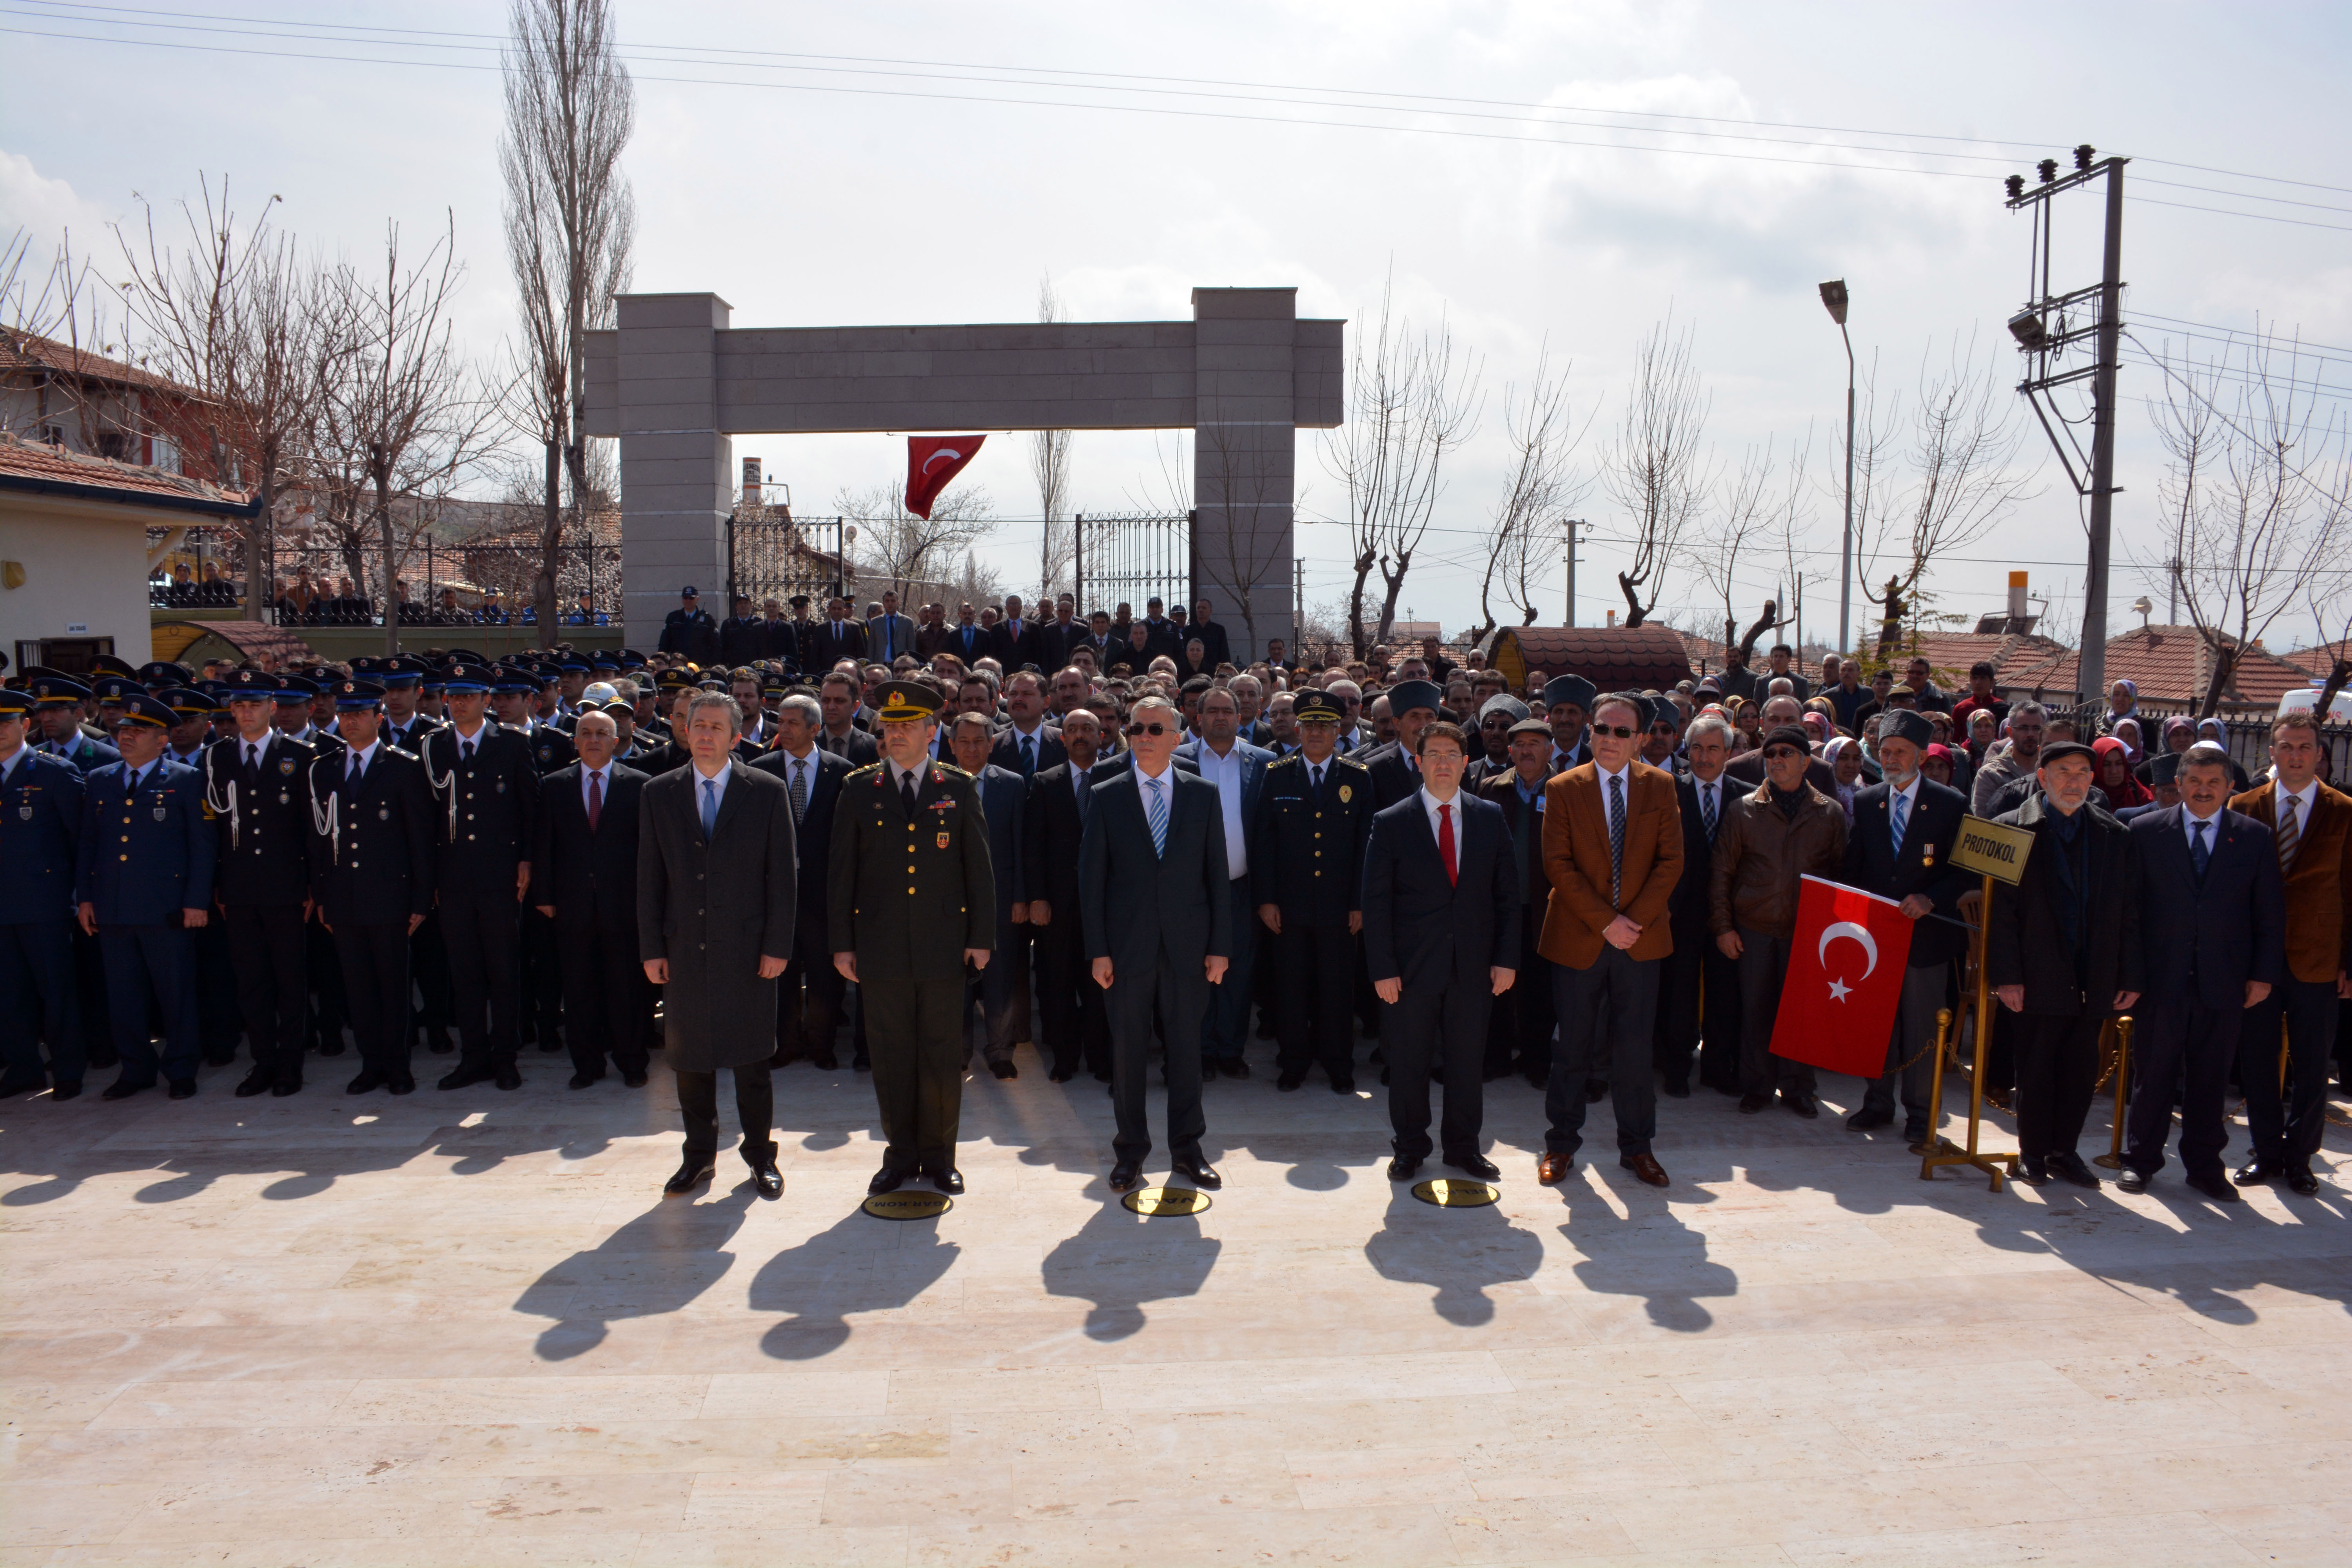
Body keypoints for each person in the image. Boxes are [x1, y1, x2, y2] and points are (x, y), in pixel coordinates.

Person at [829, 681, 996, 1195]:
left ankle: (940, 1156)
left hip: (944, 945)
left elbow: (979, 871)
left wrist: (981, 937)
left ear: (931, 732)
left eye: (908, 726)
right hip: (880, 949)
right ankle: (900, 1154)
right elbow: (842, 874)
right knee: (891, 1053)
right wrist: (842, 942)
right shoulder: (859, 788)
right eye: (890, 726)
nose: (896, 734)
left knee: (943, 1055)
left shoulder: (958, 787)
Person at [639, 692, 797, 1200]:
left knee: (752, 1064)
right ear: (684, 732)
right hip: (685, 950)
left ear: (737, 736)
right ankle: (699, 1158)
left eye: (716, 727)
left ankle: (760, 1157)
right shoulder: (658, 793)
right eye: (696, 725)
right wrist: (651, 948)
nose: (704, 734)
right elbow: (649, 878)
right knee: (691, 1063)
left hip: (749, 951)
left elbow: (783, 878)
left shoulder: (766, 792)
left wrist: (777, 945)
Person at [1079, 693, 1233, 1193]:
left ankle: (1188, 1151)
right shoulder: (1107, 793)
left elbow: (1217, 877)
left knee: (1187, 1052)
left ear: (1176, 736)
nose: (1144, 736)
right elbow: (1091, 880)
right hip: (1126, 951)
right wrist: (1098, 950)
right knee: (1127, 1055)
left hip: (1189, 948)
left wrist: (1219, 947)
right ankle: (1130, 1154)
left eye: (1154, 728)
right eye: (1137, 728)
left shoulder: (1202, 794)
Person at [2118, 743, 2283, 1200]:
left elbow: (2268, 913)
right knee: (2153, 1076)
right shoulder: (2146, 831)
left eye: (2214, 782)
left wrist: (2262, 975)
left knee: (2211, 1078)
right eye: (2195, 782)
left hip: (2225, 980)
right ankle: (2141, 1161)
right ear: (2179, 785)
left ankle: (2206, 1167)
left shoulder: (2253, 837)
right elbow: (2130, 912)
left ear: (2231, 787)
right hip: (2160, 978)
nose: (2204, 790)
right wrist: (2130, 976)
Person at [1536, 692, 1683, 1187]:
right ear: (1590, 731)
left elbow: (1671, 862)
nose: (1611, 739)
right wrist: (1606, 922)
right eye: (1603, 728)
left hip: (1640, 941)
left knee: (1635, 1050)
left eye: (1623, 731)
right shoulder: (1563, 788)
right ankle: (1560, 1144)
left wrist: (1630, 923)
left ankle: (1638, 1148)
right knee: (1572, 1047)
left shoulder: (1661, 787)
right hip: (1580, 937)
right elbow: (1557, 864)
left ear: (1641, 738)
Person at [1360, 720, 1516, 1181]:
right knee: (1408, 1065)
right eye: (1434, 755)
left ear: (1465, 763)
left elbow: (1507, 895)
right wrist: (1383, 968)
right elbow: (1376, 903)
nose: (1443, 763)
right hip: (1410, 971)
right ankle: (1409, 1147)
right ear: (1418, 762)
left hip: (1473, 967)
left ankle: (1463, 1148)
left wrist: (1507, 958)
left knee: (1467, 1064)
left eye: (1452, 754)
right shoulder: (1390, 822)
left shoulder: (1489, 817)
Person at [1985, 741, 2145, 1189]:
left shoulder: (2115, 835)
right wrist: (2008, 976)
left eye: (2081, 773)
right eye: (2062, 772)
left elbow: (2130, 911)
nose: (2072, 781)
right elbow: (2000, 914)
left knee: (2080, 1069)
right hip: (2036, 974)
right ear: (2042, 778)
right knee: (2036, 1068)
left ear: (2092, 780)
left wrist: (2130, 974)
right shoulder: (2009, 830)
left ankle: (2064, 1151)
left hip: (2093, 973)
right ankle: (2033, 1152)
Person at [2229, 713, 2350, 1196]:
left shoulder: (2344, 811)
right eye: (2287, 746)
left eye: (2305, 746)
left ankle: (2301, 1157)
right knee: (2256, 1062)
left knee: (2313, 1063)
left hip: (2318, 959)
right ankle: (2266, 1152)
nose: (2296, 754)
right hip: (2256, 960)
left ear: (2320, 753)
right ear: (2271, 753)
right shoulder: (2243, 806)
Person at [1839, 711, 1970, 1144]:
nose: (1891, 758)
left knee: (1920, 1028)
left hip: (1925, 938)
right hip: (1876, 937)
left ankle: (1920, 1112)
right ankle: (1877, 1103)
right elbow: (1855, 866)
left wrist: (1931, 898)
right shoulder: (1866, 800)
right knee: (1877, 1023)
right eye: (1885, 751)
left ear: (1919, 755)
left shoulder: (1951, 803)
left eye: (1900, 751)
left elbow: (1965, 869)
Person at [1711, 724, 1849, 1119]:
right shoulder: (1743, 809)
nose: (1777, 761)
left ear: (1806, 762)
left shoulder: (1830, 813)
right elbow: (1722, 871)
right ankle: (1756, 1085)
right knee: (1755, 1010)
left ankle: (1798, 1087)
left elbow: (1839, 874)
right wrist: (1724, 927)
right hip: (1754, 926)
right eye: (1770, 754)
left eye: (1787, 754)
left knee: (1801, 1014)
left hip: (1806, 932)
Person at [307, 681, 435, 1095]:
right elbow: (320, 841)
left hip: (390, 897)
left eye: (360, 715)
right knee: (358, 988)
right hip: (344, 898)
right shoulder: (325, 767)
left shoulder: (403, 766)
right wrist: (322, 895)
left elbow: (419, 838)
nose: (350, 722)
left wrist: (419, 898)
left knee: (393, 986)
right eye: (345, 715)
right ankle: (370, 1063)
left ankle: (398, 1065)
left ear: (378, 719)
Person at [419, 664, 540, 1093]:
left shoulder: (509, 744)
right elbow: (425, 819)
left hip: (500, 876)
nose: (460, 703)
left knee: (503, 971)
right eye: (453, 696)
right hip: (452, 877)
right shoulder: (432, 746)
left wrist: (526, 860)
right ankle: (473, 1057)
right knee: (465, 972)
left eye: (469, 696)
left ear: (487, 700)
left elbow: (530, 809)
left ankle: (505, 1057)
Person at [1250, 691, 1373, 1093]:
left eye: (1325, 726)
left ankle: (1338, 1062)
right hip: (1290, 906)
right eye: (1310, 725)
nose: (1317, 732)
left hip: (1340, 908)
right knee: (1291, 988)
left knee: (1338, 988)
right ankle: (1294, 1060)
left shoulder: (1357, 776)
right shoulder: (1277, 773)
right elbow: (1264, 843)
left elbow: (1364, 846)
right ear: (1299, 730)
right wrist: (1266, 898)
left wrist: (1359, 902)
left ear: (1338, 731)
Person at [202, 668, 317, 1098]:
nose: (246, 712)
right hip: (239, 888)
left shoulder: (301, 755)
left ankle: (290, 1064)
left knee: (289, 979)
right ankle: (263, 1062)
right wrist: (217, 885)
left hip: (286, 886)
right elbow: (211, 830)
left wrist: (311, 884)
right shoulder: (217, 756)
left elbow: (312, 829)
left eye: (254, 704)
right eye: (238, 706)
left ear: (273, 708)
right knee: (251, 981)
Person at [533, 710, 651, 1090]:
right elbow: (544, 846)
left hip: (624, 907)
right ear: (576, 740)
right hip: (572, 906)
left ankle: (632, 1061)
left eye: (603, 733)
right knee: (580, 990)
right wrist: (546, 896)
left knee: (627, 989)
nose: (594, 739)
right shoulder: (554, 785)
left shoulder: (640, 785)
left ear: (616, 741)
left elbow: (650, 850)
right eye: (586, 733)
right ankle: (587, 1064)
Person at [751, 692, 853, 1071]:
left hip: (824, 896)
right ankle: (786, 1044)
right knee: (781, 974)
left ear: (815, 728)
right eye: (781, 721)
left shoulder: (841, 771)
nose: (784, 729)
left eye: (794, 723)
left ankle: (821, 1045)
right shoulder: (760, 770)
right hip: (775, 895)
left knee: (825, 977)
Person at [1181, 684, 1274, 1077]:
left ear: (1242, 717)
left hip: (1242, 886)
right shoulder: (1177, 761)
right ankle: (1200, 1051)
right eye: (1212, 711)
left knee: (1239, 971)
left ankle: (1230, 1049)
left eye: (1228, 711)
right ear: (1197, 718)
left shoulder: (1266, 762)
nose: (1220, 717)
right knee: (1195, 972)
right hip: (1192, 891)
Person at [0, 687, 88, 1099]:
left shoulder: (53, 772)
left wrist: (79, 895)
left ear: (25, 725)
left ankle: (68, 1069)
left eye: (5, 723)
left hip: (45, 904)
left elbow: (80, 843)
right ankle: (23, 1069)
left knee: (57, 992)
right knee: (9, 994)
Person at [1655, 712, 1742, 1099]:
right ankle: (1676, 1068)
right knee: (1678, 992)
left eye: (1713, 749)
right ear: (1685, 749)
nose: (1704, 757)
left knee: (1726, 994)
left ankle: (1718, 1068)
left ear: (1728, 752)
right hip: (1680, 911)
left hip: (1729, 914)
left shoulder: (1749, 795)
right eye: (1697, 748)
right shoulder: (1669, 790)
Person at [1025, 707, 1113, 1083]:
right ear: (1062, 739)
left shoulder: (1117, 778)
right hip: (1057, 907)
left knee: (1101, 985)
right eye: (1072, 729)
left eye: (1087, 729)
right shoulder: (1045, 781)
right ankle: (1064, 1059)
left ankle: (1101, 1059)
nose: (1079, 735)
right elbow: (1034, 846)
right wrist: (1038, 898)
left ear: (1101, 737)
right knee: (1057, 984)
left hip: (1106, 904)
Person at [1478, 715, 1560, 1087]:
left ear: (1550, 750)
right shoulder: (1491, 789)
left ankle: (1537, 1060)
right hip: (1500, 909)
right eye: (1520, 745)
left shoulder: (1566, 789)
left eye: (1535, 744)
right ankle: (1495, 1059)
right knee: (1496, 986)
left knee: (1540, 991)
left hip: (1548, 909)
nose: (1527, 751)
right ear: (1509, 752)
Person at [947, 710, 1029, 1079]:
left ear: (991, 744)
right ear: (951, 745)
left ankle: (1000, 1051)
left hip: (1000, 898)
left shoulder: (1011, 784)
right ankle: (959, 1050)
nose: (971, 748)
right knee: (954, 980)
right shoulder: (938, 783)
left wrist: (1021, 898)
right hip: (950, 901)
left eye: (979, 740)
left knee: (1000, 979)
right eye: (963, 741)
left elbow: (1021, 843)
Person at [657, 586, 719, 663]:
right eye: (685, 598)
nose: (688, 600)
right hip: (678, 663)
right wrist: (661, 662)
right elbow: (664, 642)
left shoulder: (707, 619)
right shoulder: (673, 617)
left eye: (691, 598)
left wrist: (714, 664)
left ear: (697, 599)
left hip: (700, 664)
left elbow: (715, 645)